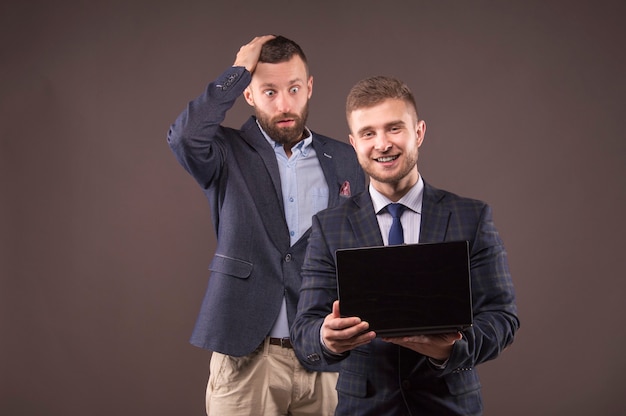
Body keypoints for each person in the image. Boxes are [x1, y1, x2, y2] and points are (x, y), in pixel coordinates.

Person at [290, 75, 520, 416]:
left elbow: (502, 318)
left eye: (394, 128)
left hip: (449, 405)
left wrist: (449, 349)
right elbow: (305, 330)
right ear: (354, 143)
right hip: (364, 408)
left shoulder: (471, 216)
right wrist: (326, 338)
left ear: (419, 132)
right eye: (369, 133)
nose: (382, 144)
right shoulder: (329, 227)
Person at [166, 35, 365, 415]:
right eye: (269, 91)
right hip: (246, 355)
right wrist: (238, 71)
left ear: (309, 88)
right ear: (248, 95)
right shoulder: (225, 152)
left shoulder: (343, 158)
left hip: (324, 357)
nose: (284, 104)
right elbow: (183, 137)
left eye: (293, 89)